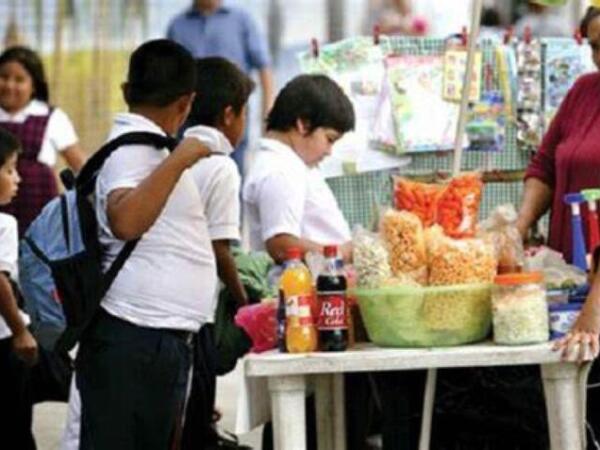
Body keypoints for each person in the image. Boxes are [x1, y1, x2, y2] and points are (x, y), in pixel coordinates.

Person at [75, 39, 217, 450]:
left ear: (126, 90)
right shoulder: (135, 149)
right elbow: (125, 220)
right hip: (134, 340)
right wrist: (180, 159)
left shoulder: (145, 146)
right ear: (186, 103)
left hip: (149, 342)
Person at [181, 56, 255, 448]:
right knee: (197, 433)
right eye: (246, 113)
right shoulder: (221, 166)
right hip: (198, 311)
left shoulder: (177, 153)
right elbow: (220, 248)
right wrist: (244, 304)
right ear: (230, 115)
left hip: (171, 311)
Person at [243, 74, 354, 264]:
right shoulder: (280, 170)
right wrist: (341, 254)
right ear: (303, 125)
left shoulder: (292, 163)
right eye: (329, 139)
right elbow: (281, 245)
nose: (329, 151)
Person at [167, 0, 275, 175]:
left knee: (232, 172)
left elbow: (265, 69)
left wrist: (267, 116)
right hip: (190, 118)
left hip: (230, 117)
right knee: (189, 175)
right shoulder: (177, 26)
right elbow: (170, 77)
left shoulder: (241, 21)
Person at [0, 46, 85, 236]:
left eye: (19, 80)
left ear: (34, 86)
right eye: (4, 77)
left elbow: (81, 166)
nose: (9, 85)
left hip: (41, 216)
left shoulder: (51, 117)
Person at [0, 128, 38, 450]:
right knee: (14, 427)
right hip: (3, 340)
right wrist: (20, 331)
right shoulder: (4, 224)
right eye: (10, 170)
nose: (18, 180)